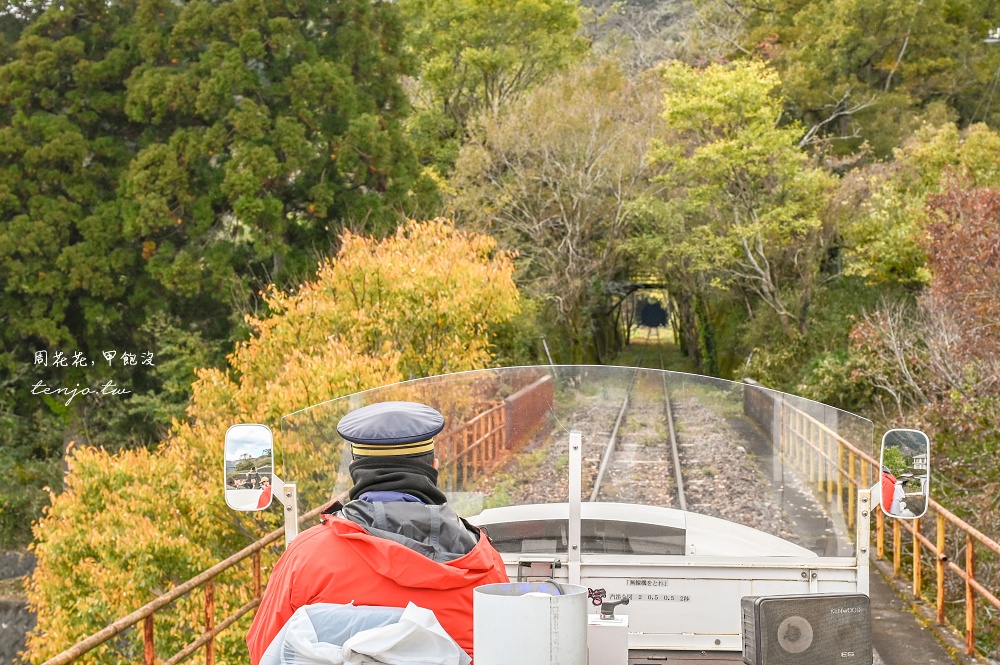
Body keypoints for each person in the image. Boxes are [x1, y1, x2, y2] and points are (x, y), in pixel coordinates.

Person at [245, 401, 509, 665]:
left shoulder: (305, 558)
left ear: (357, 473)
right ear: (434, 467)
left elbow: (266, 651)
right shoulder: (483, 565)